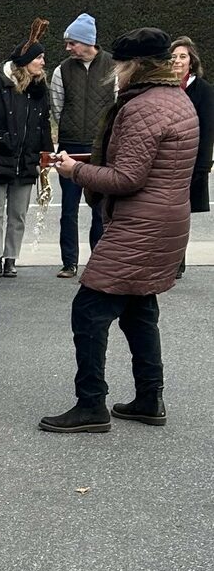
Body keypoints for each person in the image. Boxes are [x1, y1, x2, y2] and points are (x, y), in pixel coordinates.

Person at [42, 27, 199, 434]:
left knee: (89, 311)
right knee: (139, 309)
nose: (116, 73)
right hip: (167, 220)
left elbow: (127, 177)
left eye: (121, 65)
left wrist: (75, 170)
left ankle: (91, 404)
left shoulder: (143, 106)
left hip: (140, 223)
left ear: (135, 66)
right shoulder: (177, 98)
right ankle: (150, 398)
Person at [0, 18, 53, 279]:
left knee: (18, 214)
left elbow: (43, 125)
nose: (42, 63)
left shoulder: (39, 91)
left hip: (25, 163)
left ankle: (11, 258)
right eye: (39, 58)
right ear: (26, 60)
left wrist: (45, 156)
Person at [48, 13, 116, 279]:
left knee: (100, 208)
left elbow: (117, 103)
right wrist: (69, 128)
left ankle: (98, 260)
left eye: (72, 42)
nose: (68, 48)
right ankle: (69, 262)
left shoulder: (112, 65)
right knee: (69, 208)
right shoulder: (61, 70)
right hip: (70, 146)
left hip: (101, 149)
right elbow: (57, 106)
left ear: (87, 41)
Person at [168, 36, 214, 277]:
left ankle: (178, 262)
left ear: (192, 62)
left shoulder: (204, 90)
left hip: (192, 161)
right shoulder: (163, 87)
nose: (177, 60)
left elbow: (207, 130)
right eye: (173, 56)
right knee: (164, 212)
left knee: (181, 214)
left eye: (182, 56)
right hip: (166, 162)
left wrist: (203, 165)